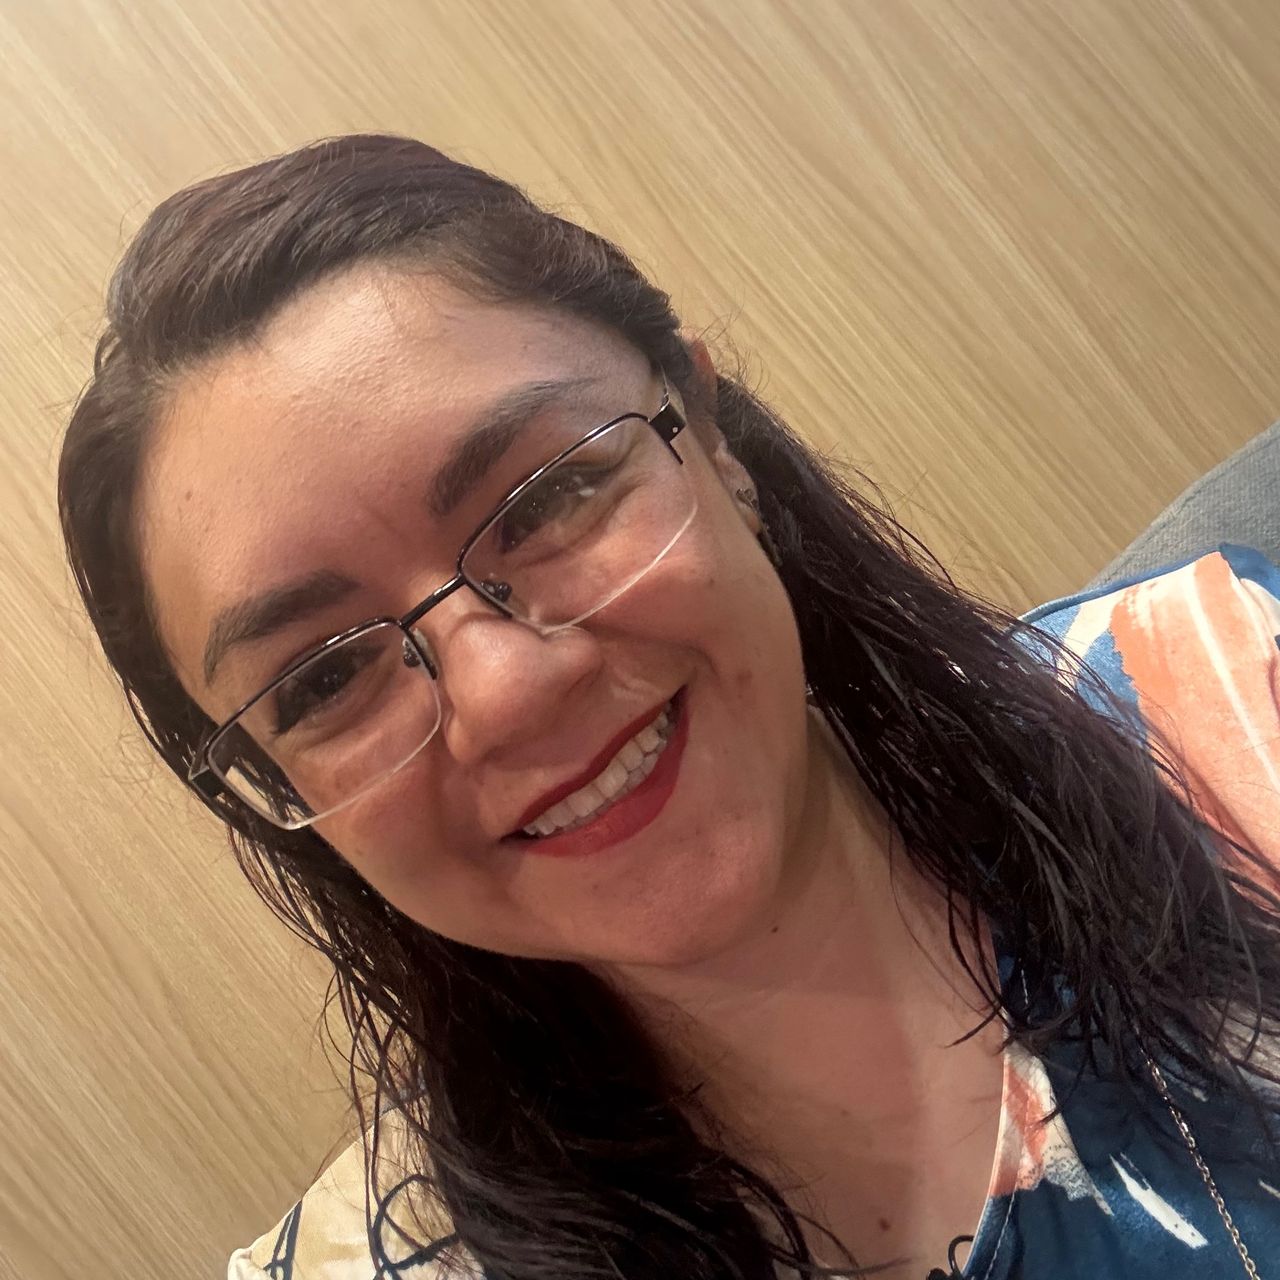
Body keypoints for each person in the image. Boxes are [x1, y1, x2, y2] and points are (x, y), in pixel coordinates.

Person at [57, 134, 1280, 1279]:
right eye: (323, 676)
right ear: (277, 785)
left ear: (709, 434)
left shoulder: (1232, 686)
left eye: (547, 498)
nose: (506, 690)